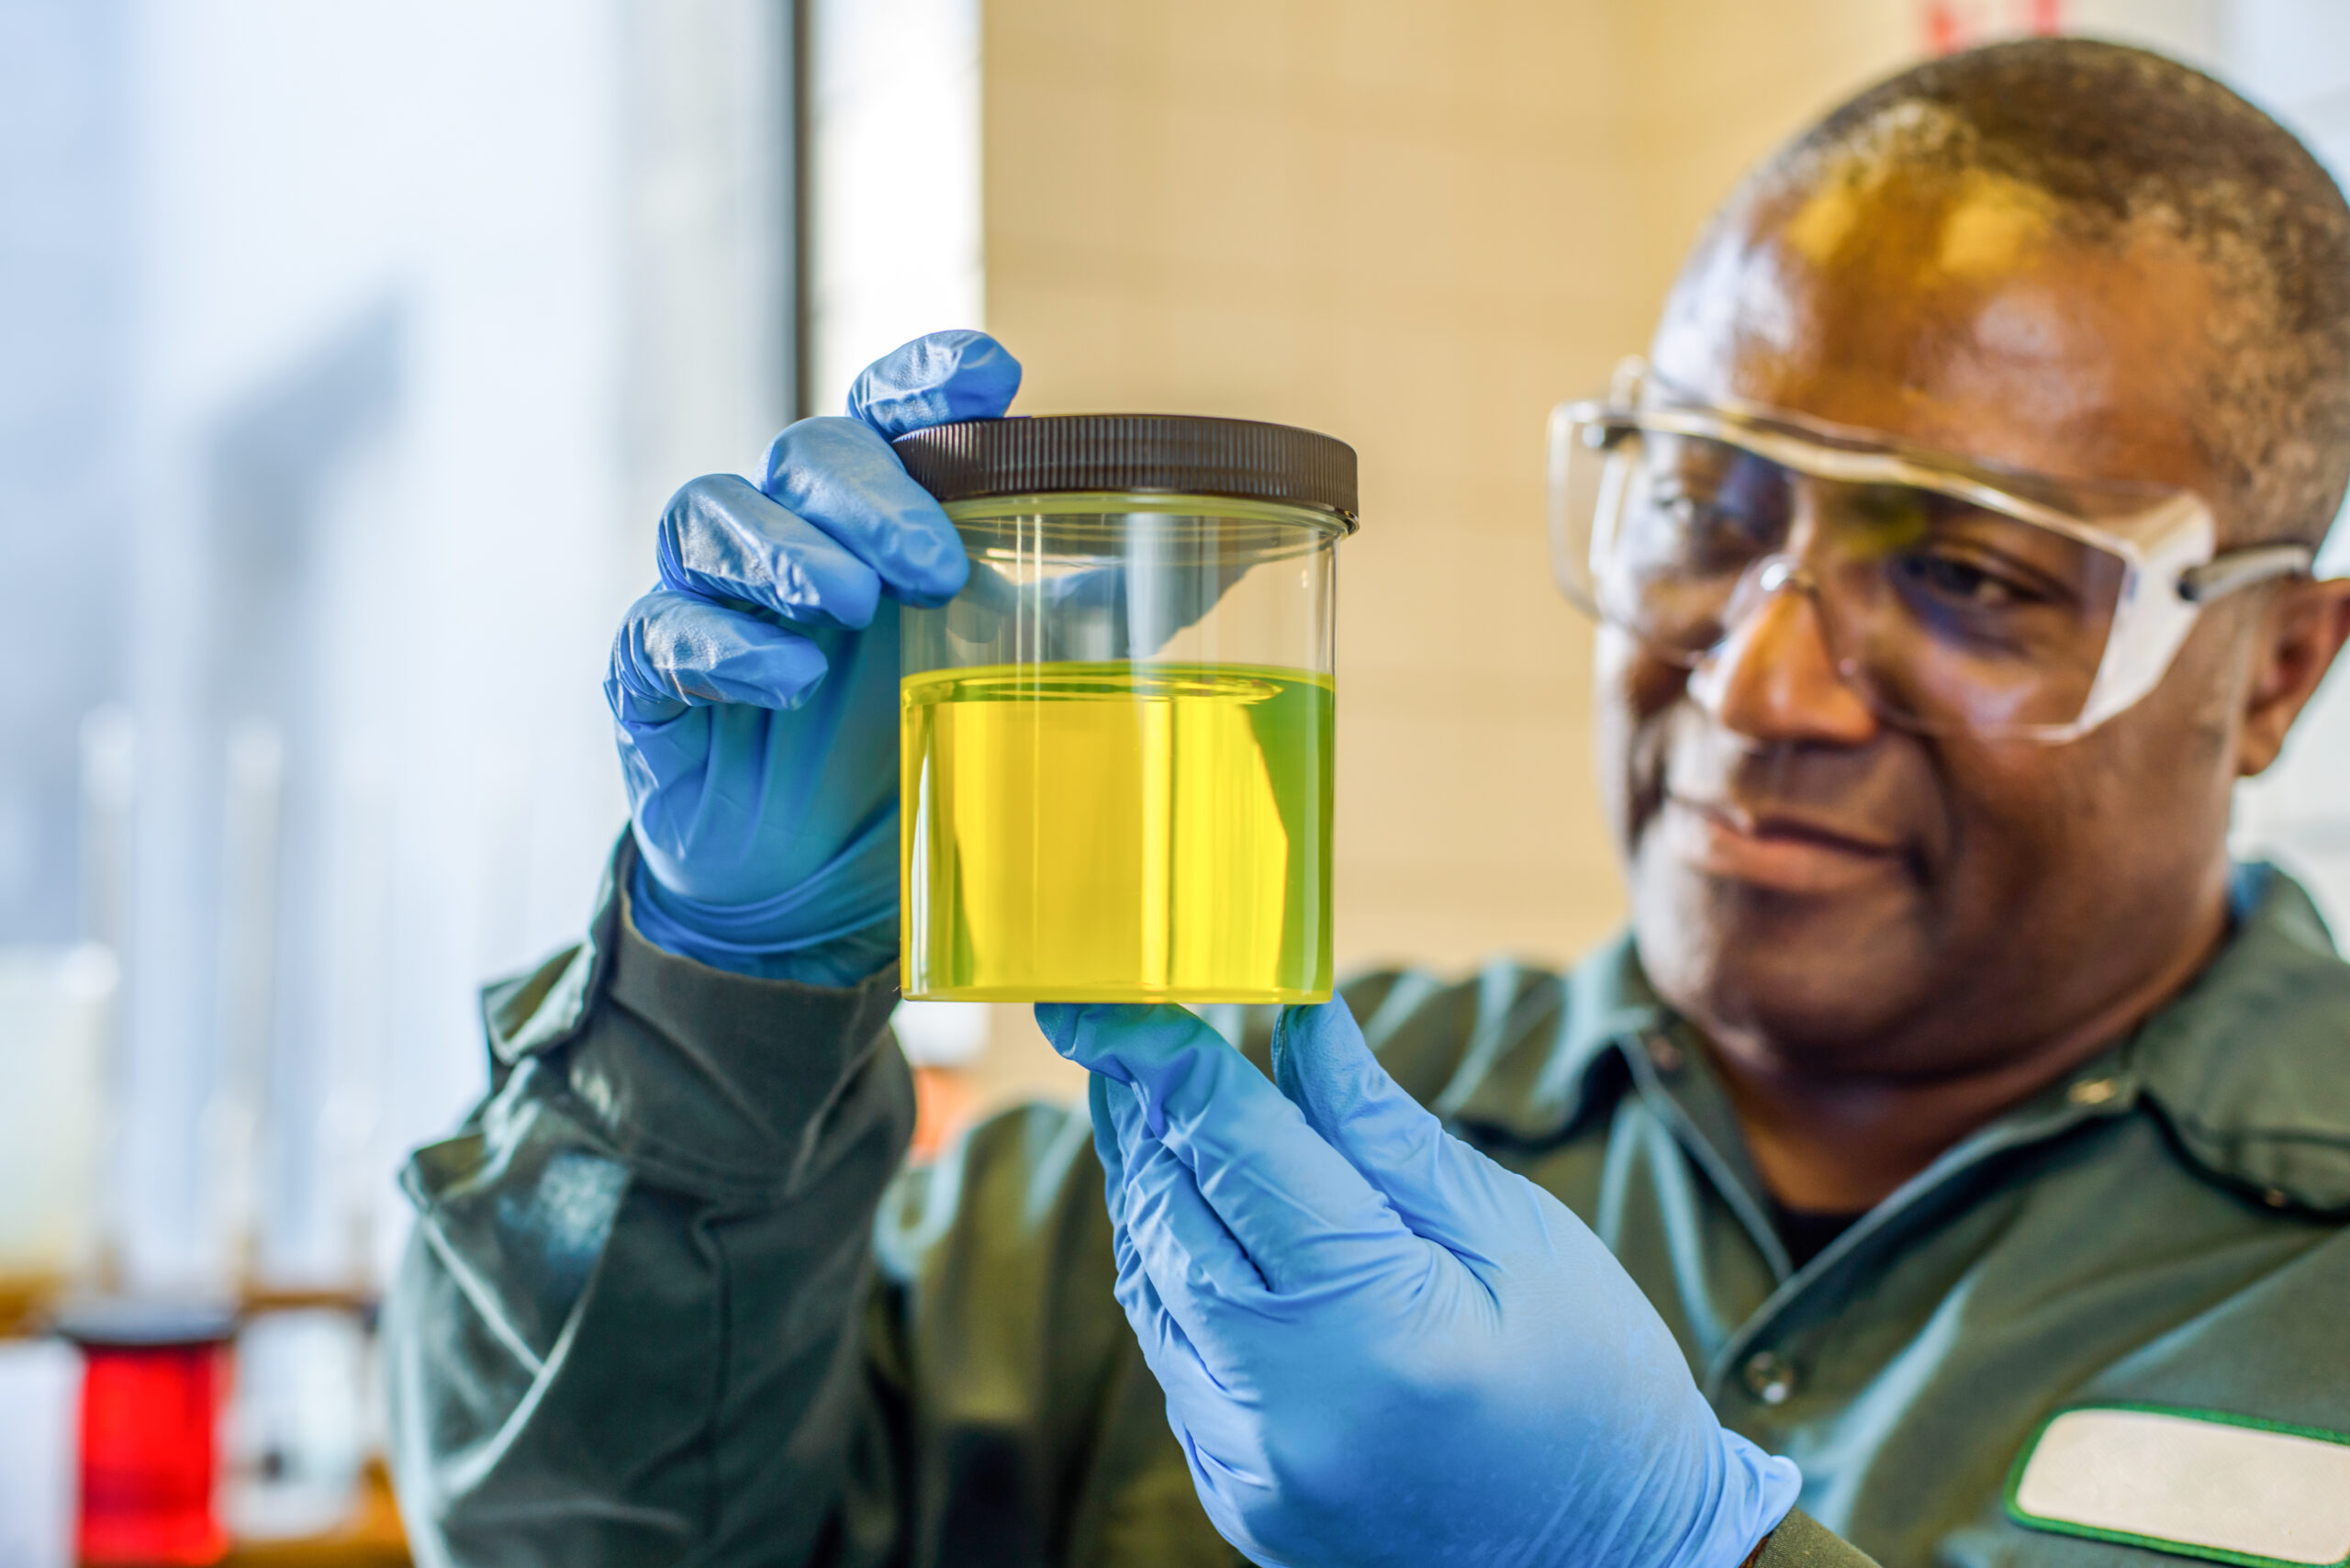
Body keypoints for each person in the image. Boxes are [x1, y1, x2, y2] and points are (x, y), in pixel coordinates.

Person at [384, 38, 2350, 1568]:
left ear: (2271, 665)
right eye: (1701, 504)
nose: (1754, 685)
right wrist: (716, 999)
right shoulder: (1206, 1168)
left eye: (1975, 576)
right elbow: (581, 1531)